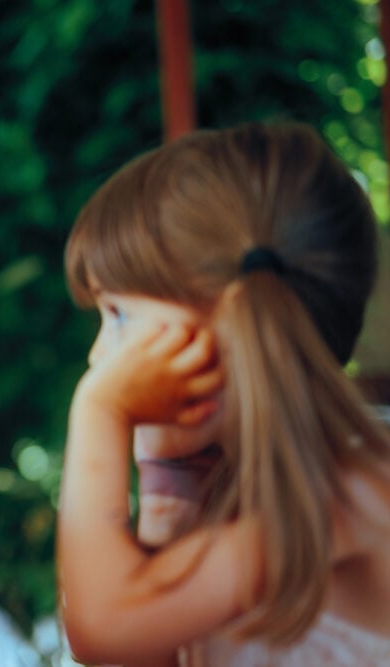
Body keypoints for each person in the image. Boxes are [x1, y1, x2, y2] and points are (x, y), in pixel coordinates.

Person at [56, 122, 390, 666]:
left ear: (234, 324)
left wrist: (100, 411)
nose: (98, 357)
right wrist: (166, 498)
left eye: (117, 315)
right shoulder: (220, 475)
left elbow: (104, 630)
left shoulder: (353, 494)